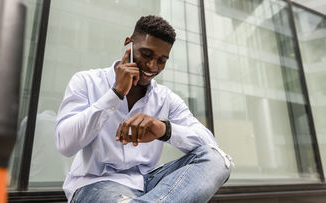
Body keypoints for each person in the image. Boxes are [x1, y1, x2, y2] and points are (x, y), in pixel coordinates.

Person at [55, 15, 232, 203]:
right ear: (128, 45)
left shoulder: (166, 99)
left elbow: (209, 144)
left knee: (217, 159)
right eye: (146, 54)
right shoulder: (86, 82)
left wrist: (164, 130)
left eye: (162, 60)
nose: (152, 66)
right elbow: (65, 144)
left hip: (150, 183)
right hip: (96, 183)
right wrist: (115, 94)